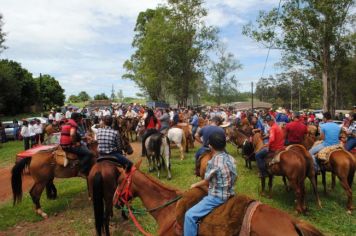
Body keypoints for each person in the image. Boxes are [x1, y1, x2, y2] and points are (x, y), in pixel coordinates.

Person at [184, 132, 237, 236]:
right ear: (224, 145)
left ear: (210, 146)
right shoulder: (231, 158)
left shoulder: (213, 162)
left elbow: (206, 181)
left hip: (217, 198)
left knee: (189, 216)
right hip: (231, 193)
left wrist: (195, 185)